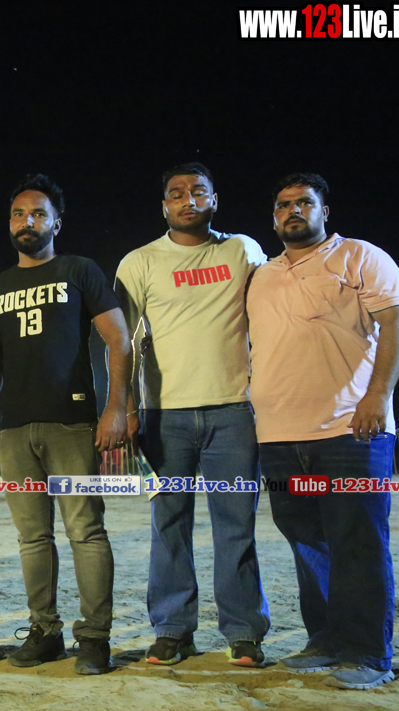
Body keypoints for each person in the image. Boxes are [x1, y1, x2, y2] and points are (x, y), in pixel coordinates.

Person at [248, 173, 399, 690]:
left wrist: (377, 396)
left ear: (324, 211)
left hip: (350, 430)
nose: (293, 211)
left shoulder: (359, 257)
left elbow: (398, 321)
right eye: (283, 205)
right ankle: (325, 640)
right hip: (279, 436)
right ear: (274, 217)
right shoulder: (262, 275)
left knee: (357, 541)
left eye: (304, 202)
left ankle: (367, 654)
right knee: (307, 540)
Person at [114, 163, 271, 667]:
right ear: (164, 205)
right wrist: (125, 406)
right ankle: (173, 629)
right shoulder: (139, 262)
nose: (188, 200)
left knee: (236, 524)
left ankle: (243, 632)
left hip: (234, 411)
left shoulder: (243, 250)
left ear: (214, 200)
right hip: (164, 416)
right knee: (169, 524)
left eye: (198, 191)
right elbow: (121, 342)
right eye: (177, 193)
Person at [0, 174, 131, 675]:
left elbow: (119, 339)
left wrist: (116, 407)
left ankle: (95, 639)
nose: (28, 221)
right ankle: (44, 632)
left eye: (38, 213)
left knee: (85, 530)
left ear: (56, 223)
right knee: (32, 538)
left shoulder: (78, 269)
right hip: (15, 429)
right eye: (19, 214)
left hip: (71, 422)